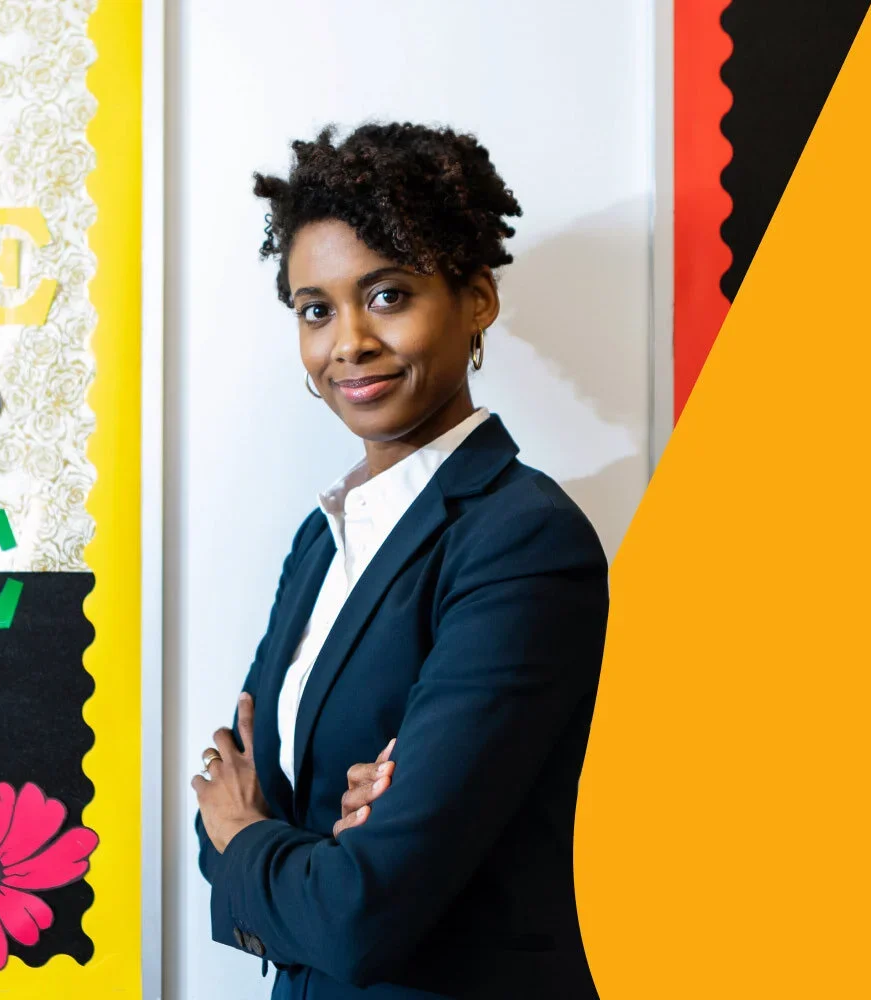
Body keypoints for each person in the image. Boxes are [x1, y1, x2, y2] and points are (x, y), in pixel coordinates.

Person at [192, 123, 609, 999]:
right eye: (317, 310)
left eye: (386, 296)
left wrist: (261, 837)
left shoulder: (522, 540)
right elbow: (219, 807)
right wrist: (296, 842)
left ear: (477, 300)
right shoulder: (325, 537)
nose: (348, 341)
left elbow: (359, 910)